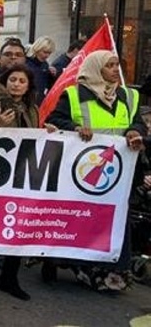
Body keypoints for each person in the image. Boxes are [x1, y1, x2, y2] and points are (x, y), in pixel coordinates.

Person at [45, 51, 146, 291]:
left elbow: (137, 121)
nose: (114, 69)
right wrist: (77, 127)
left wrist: (134, 130)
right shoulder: (73, 95)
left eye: (116, 64)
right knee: (78, 216)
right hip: (83, 170)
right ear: (95, 68)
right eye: (109, 65)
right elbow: (55, 120)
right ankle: (67, 264)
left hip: (118, 173)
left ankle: (110, 269)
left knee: (114, 219)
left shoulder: (128, 95)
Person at [0, 64, 40, 301]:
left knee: (19, 225)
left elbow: (34, 136)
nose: (17, 84)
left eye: (22, 81)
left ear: (28, 85)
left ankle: (9, 279)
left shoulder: (32, 108)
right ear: (5, 80)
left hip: (21, 173)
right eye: (13, 79)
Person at [26, 36, 56, 104]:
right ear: (37, 49)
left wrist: (52, 75)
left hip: (40, 101)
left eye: (49, 53)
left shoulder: (45, 64)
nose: (47, 56)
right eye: (45, 52)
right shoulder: (26, 63)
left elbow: (48, 85)